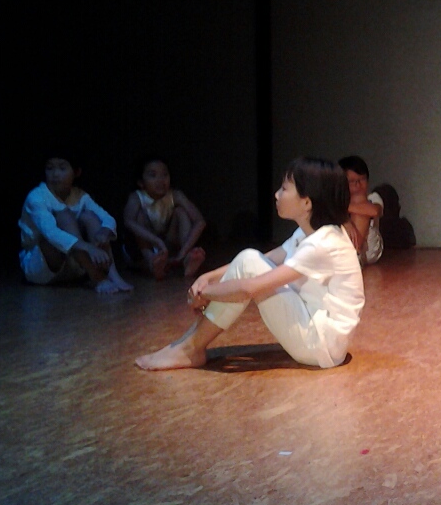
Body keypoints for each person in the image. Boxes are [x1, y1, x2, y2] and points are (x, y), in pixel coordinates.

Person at [136, 157, 364, 371]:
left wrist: (205, 293)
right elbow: (266, 259)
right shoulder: (312, 234)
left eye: (284, 189)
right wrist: (209, 277)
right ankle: (187, 344)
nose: (277, 194)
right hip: (321, 340)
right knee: (249, 258)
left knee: (249, 260)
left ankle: (190, 348)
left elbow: (251, 287)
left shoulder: (323, 243)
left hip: (320, 347)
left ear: (306, 202)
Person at [19, 151, 133, 294]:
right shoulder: (37, 197)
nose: (55, 174)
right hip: (44, 266)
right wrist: (89, 248)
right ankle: (97, 277)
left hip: (75, 266)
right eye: (50, 168)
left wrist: (104, 232)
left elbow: (108, 218)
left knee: (89, 217)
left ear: (76, 172)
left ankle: (113, 275)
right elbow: (51, 233)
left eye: (62, 168)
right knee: (64, 216)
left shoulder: (80, 195)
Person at [123, 157, 207, 280]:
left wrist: (182, 253)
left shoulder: (175, 195)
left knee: (180, 212)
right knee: (139, 216)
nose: (160, 180)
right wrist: (156, 241)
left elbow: (200, 221)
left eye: (164, 175)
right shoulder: (136, 197)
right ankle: (152, 263)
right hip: (143, 249)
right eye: (153, 175)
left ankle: (185, 259)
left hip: (167, 246)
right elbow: (128, 221)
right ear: (141, 182)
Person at [338, 155, 384, 266]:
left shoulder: (372, 197)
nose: (358, 185)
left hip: (368, 249)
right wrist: (346, 221)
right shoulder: (337, 199)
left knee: (361, 205)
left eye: (362, 179)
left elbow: (375, 211)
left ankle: (355, 255)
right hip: (342, 247)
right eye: (352, 181)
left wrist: (340, 208)